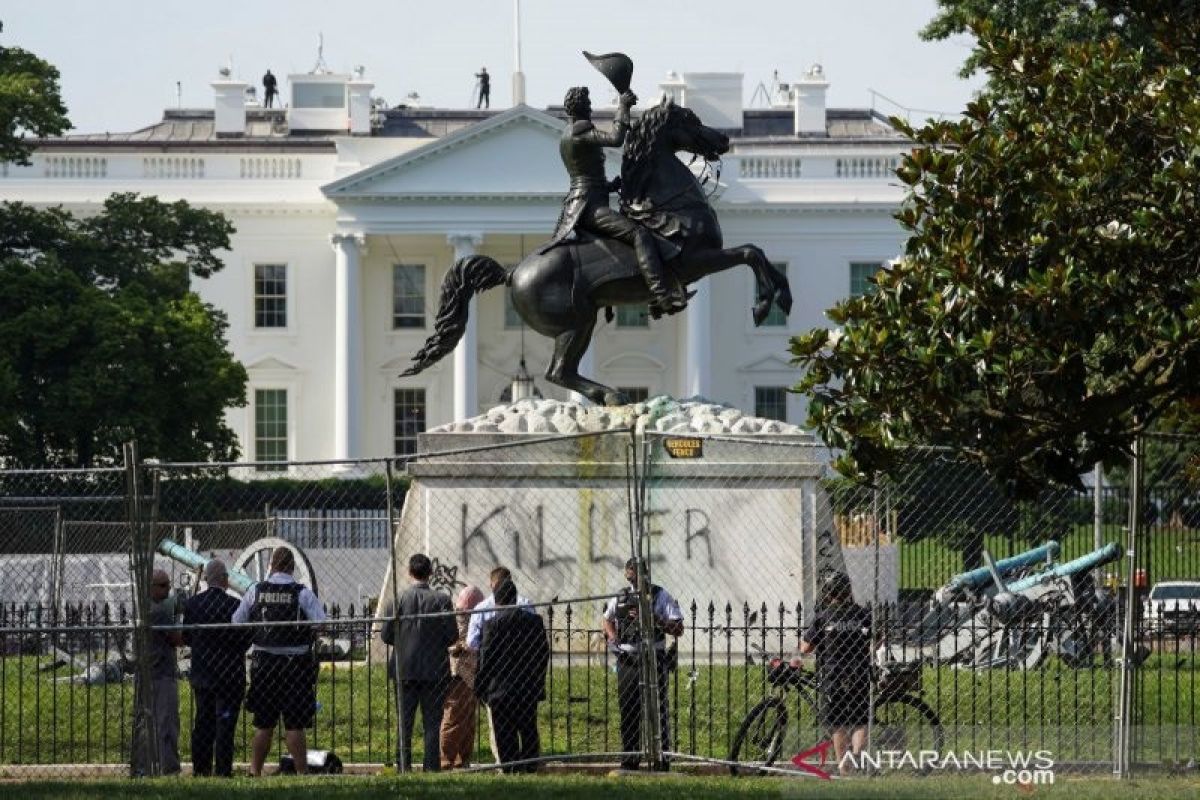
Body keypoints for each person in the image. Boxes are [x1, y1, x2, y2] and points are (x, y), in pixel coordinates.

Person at [535, 85, 687, 316]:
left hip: (583, 201)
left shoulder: (566, 135)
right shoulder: (580, 130)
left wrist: (609, 186)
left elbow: (583, 176)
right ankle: (661, 296)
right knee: (640, 234)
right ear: (582, 107)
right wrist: (623, 107)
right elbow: (616, 138)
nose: (591, 107)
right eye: (588, 104)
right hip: (590, 207)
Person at [232, 546, 326, 777]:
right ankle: (302, 772)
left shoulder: (256, 591)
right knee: (294, 723)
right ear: (292, 567)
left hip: (264, 664)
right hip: (296, 665)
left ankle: (255, 771)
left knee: (264, 722)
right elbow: (322, 623)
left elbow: (237, 620)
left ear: (271, 565)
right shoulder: (302, 593)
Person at [602, 558, 683, 772]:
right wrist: (612, 638)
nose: (633, 582)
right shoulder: (620, 596)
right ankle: (630, 758)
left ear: (645, 574)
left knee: (657, 709)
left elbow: (678, 628)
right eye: (630, 577)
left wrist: (654, 618)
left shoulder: (660, 595)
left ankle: (661, 758)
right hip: (627, 659)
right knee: (628, 710)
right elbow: (607, 619)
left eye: (637, 576)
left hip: (653, 656)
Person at [380, 553, 459, 772]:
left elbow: (386, 636)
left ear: (409, 572)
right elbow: (452, 636)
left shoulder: (397, 600)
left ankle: (403, 766)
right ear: (431, 573)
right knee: (432, 724)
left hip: (403, 669)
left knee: (404, 722)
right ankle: (431, 767)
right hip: (434, 670)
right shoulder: (442, 600)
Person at [183, 559, 251, 777]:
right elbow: (245, 639)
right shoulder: (234, 605)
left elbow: (187, 637)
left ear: (205, 579)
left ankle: (201, 769)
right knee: (225, 724)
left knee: (203, 723)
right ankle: (223, 770)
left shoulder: (193, 604)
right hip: (230, 675)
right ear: (225, 579)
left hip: (203, 673)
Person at [800, 570, 871, 777]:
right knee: (859, 719)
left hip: (833, 675)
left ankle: (844, 768)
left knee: (837, 722)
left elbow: (806, 648)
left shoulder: (824, 616)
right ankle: (857, 760)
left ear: (828, 592)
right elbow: (877, 637)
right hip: (858, 672)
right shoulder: (861, 614)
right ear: (848, 591)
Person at [474, 577, 549, 773]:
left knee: (504, 732)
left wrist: (480, 687)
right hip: (527, 686)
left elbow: (486, 659)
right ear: (515, 599)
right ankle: (530, 766)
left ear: (496, 601)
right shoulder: (534, 622)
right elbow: (543, 653)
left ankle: (510, 767)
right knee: (528, 728)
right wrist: (538, 679)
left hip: (500, 689)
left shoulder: (492, 624)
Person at [135, 568, 183, 776]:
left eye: (169, 585)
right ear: (151, 587)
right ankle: (169, 768)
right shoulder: (159, 612)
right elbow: (177, 638)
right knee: (167, 724)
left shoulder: (145, 608)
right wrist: (181, 621)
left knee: (144, 723)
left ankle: (143, 767)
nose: (167, 590)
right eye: (163, 586)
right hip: (162, 672)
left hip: (146, 672)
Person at [441, 584, 485, 769]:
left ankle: (461, 759)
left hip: (469, 674)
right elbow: (457, 644)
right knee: (455, 719)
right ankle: (445, 760)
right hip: (459, 674)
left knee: (466, 720)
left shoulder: (465, 619)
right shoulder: (463, 620)